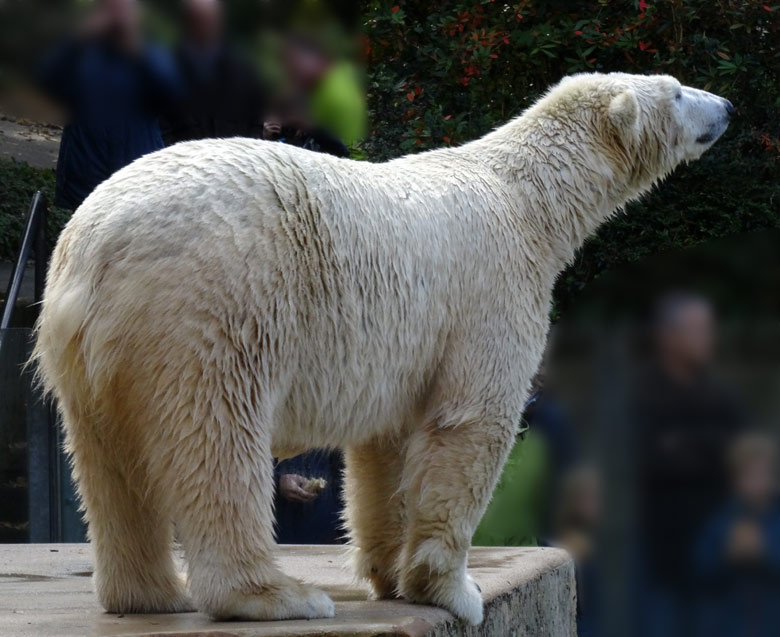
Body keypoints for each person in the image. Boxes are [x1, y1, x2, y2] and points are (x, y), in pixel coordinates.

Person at [633, 292, 745, 637]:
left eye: (708, 329)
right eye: (698, 330)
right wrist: (706, 448)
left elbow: (737, 458)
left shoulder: (722, 396)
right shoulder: (643, 394)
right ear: (668, 336)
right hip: (659, 556)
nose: (708, 339)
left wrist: (683, 445)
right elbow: (652, 460)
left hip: (718, 556)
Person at [39, 0, 181, 211]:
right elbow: (47, 81)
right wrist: (79, 40)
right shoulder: (81, 50)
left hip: (138, 177)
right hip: (86, 173)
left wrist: (138, 51)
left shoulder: (150, 51)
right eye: (110, 8)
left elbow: (173, 95)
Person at [692, 434, 780, 637]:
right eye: (749, 474)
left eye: (763, 473)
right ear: (734, 479)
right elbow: (700, 570)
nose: (756, 481)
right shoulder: (721, 520)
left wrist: (765, 553)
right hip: (729, 625)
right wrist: (727, 555)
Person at [161, 0, 267, 145]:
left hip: (237, 162)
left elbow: (256, 118)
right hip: (187, 163)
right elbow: (163, 127)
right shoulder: (168, 72)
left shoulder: (242, 70)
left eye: (211, 21)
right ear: (186, 24)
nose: (206, 28)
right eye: (198, 21)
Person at [274, 450, 345, 544]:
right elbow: (251, 466)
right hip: (276, 532)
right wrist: (277, 481)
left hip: (324, 532)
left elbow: (343, 478)